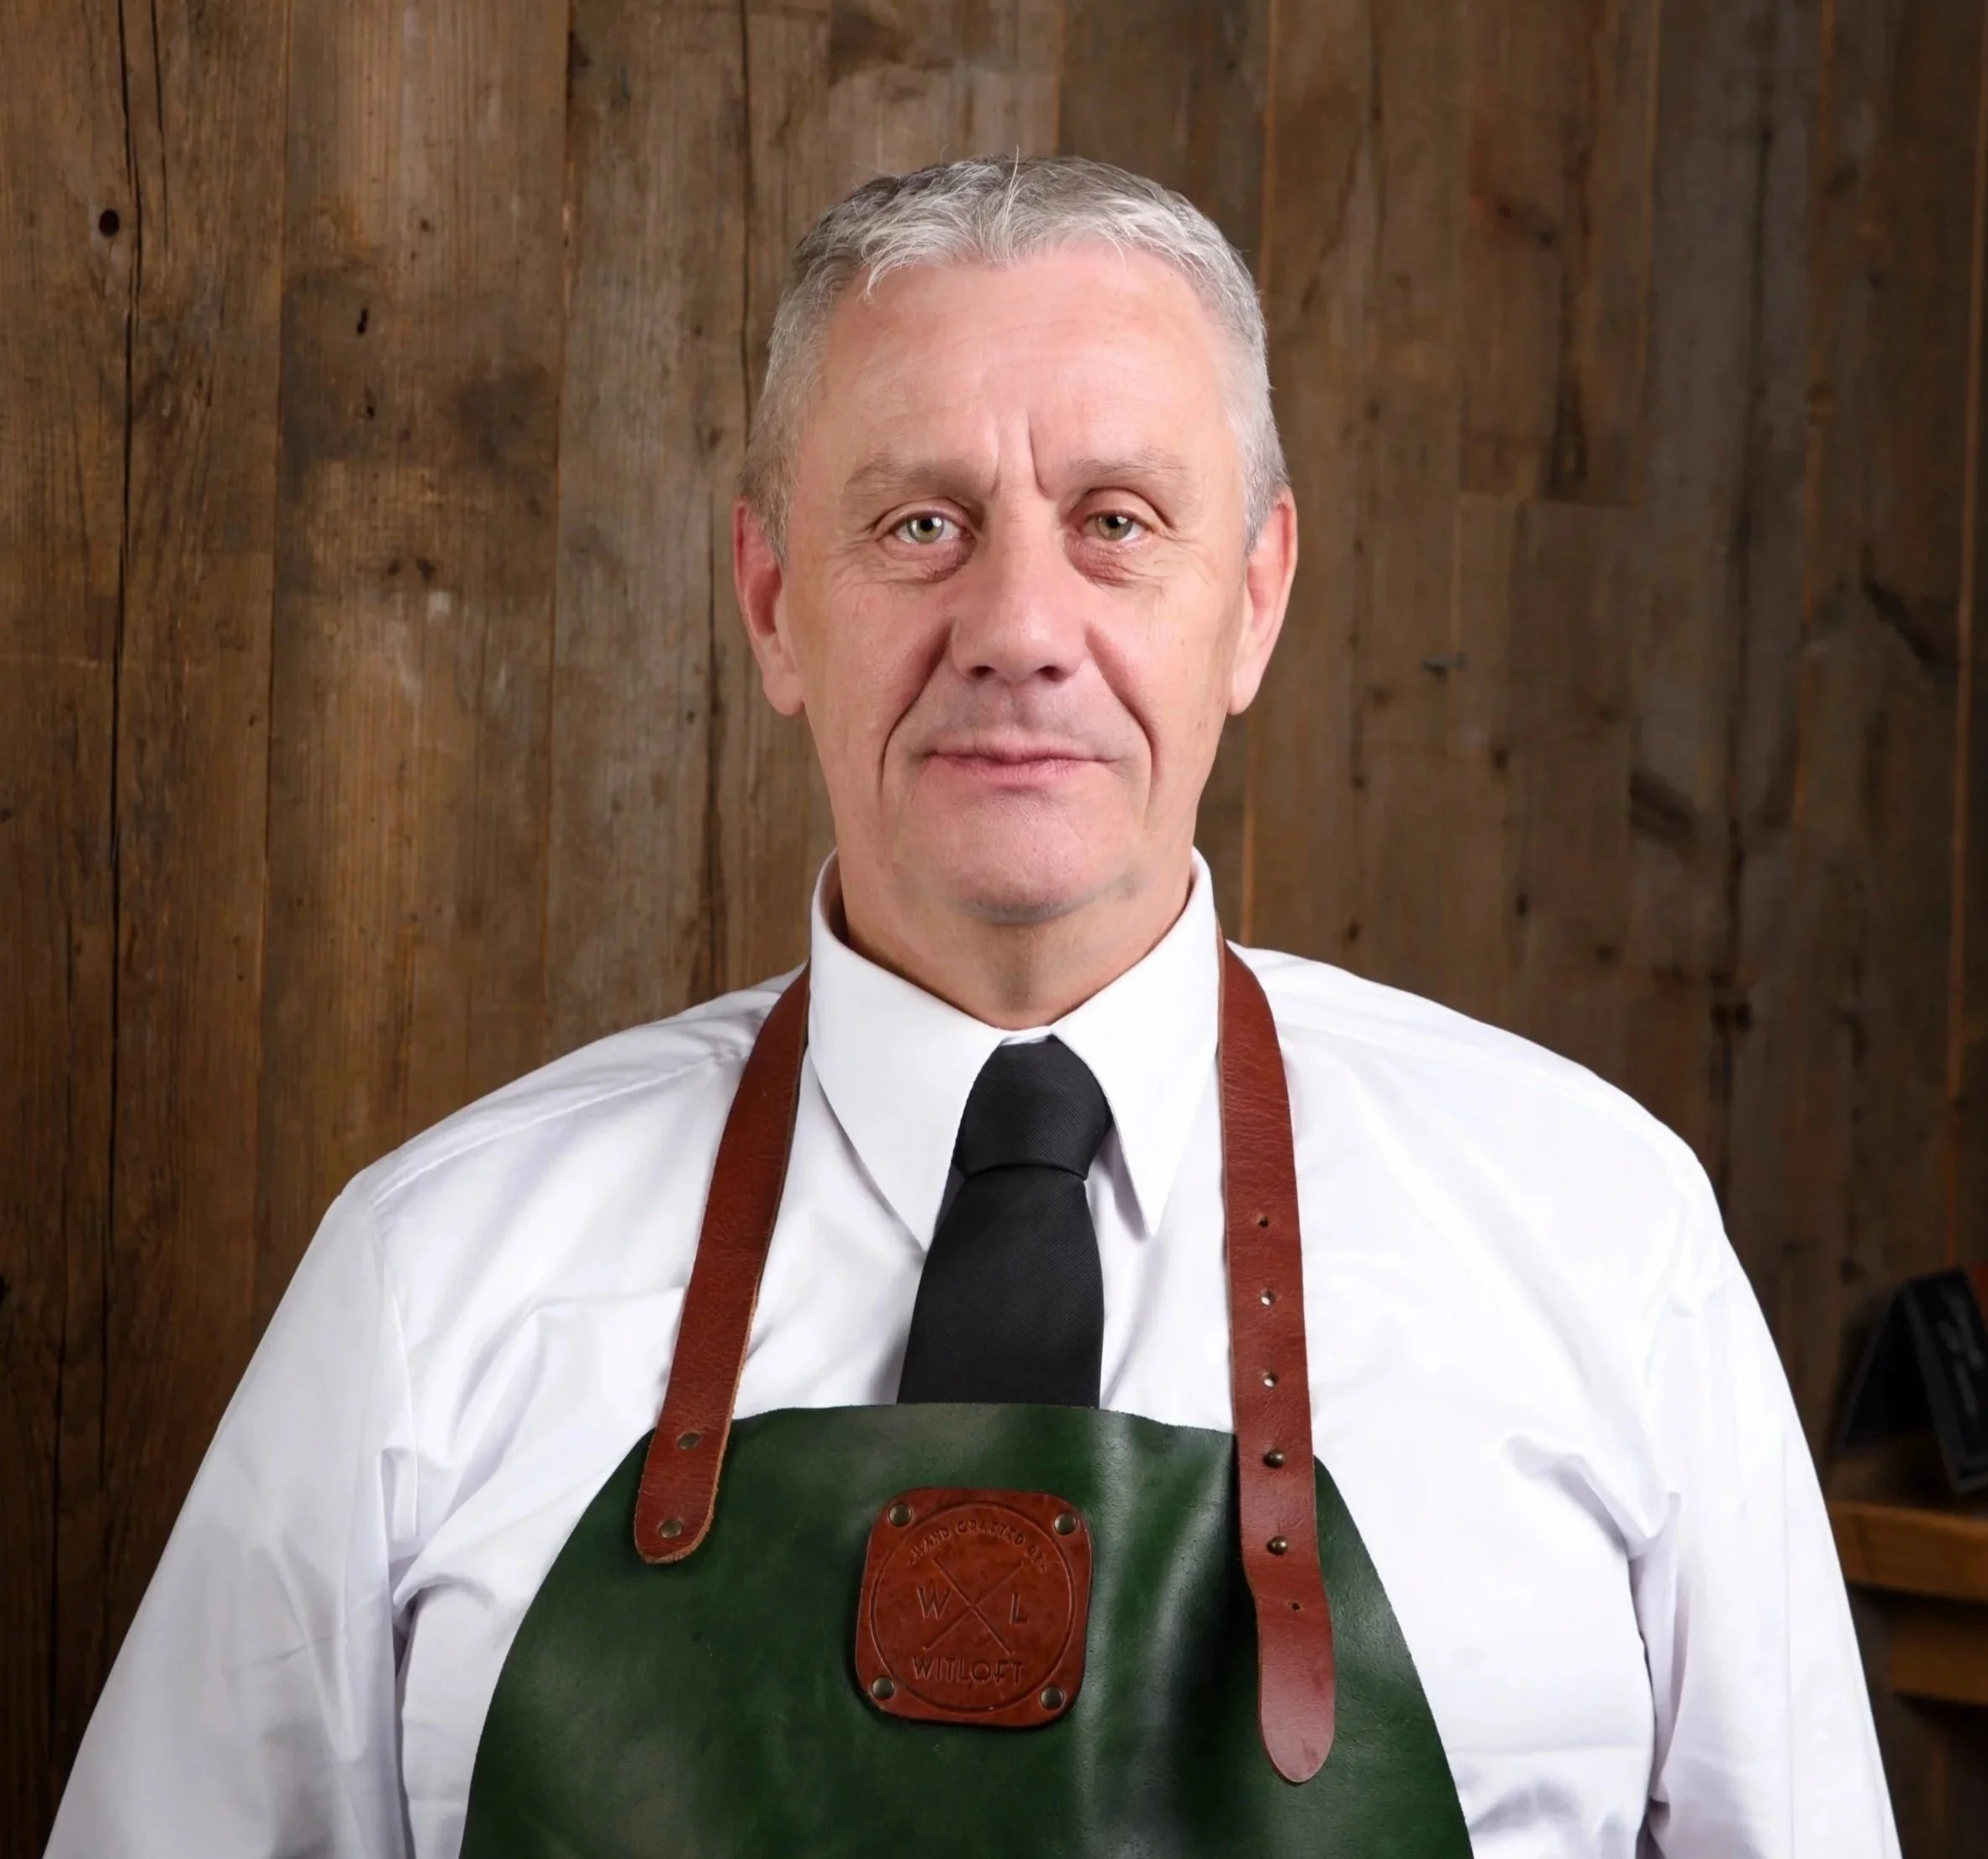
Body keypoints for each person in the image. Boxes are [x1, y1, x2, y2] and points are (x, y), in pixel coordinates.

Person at [47, 156, 1896, 1858]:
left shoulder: (1603, 1241)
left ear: (1256, 600)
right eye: (923, 523)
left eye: (1117, 521)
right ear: (774, 601)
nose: (1019, 625)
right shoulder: (428, 1282)